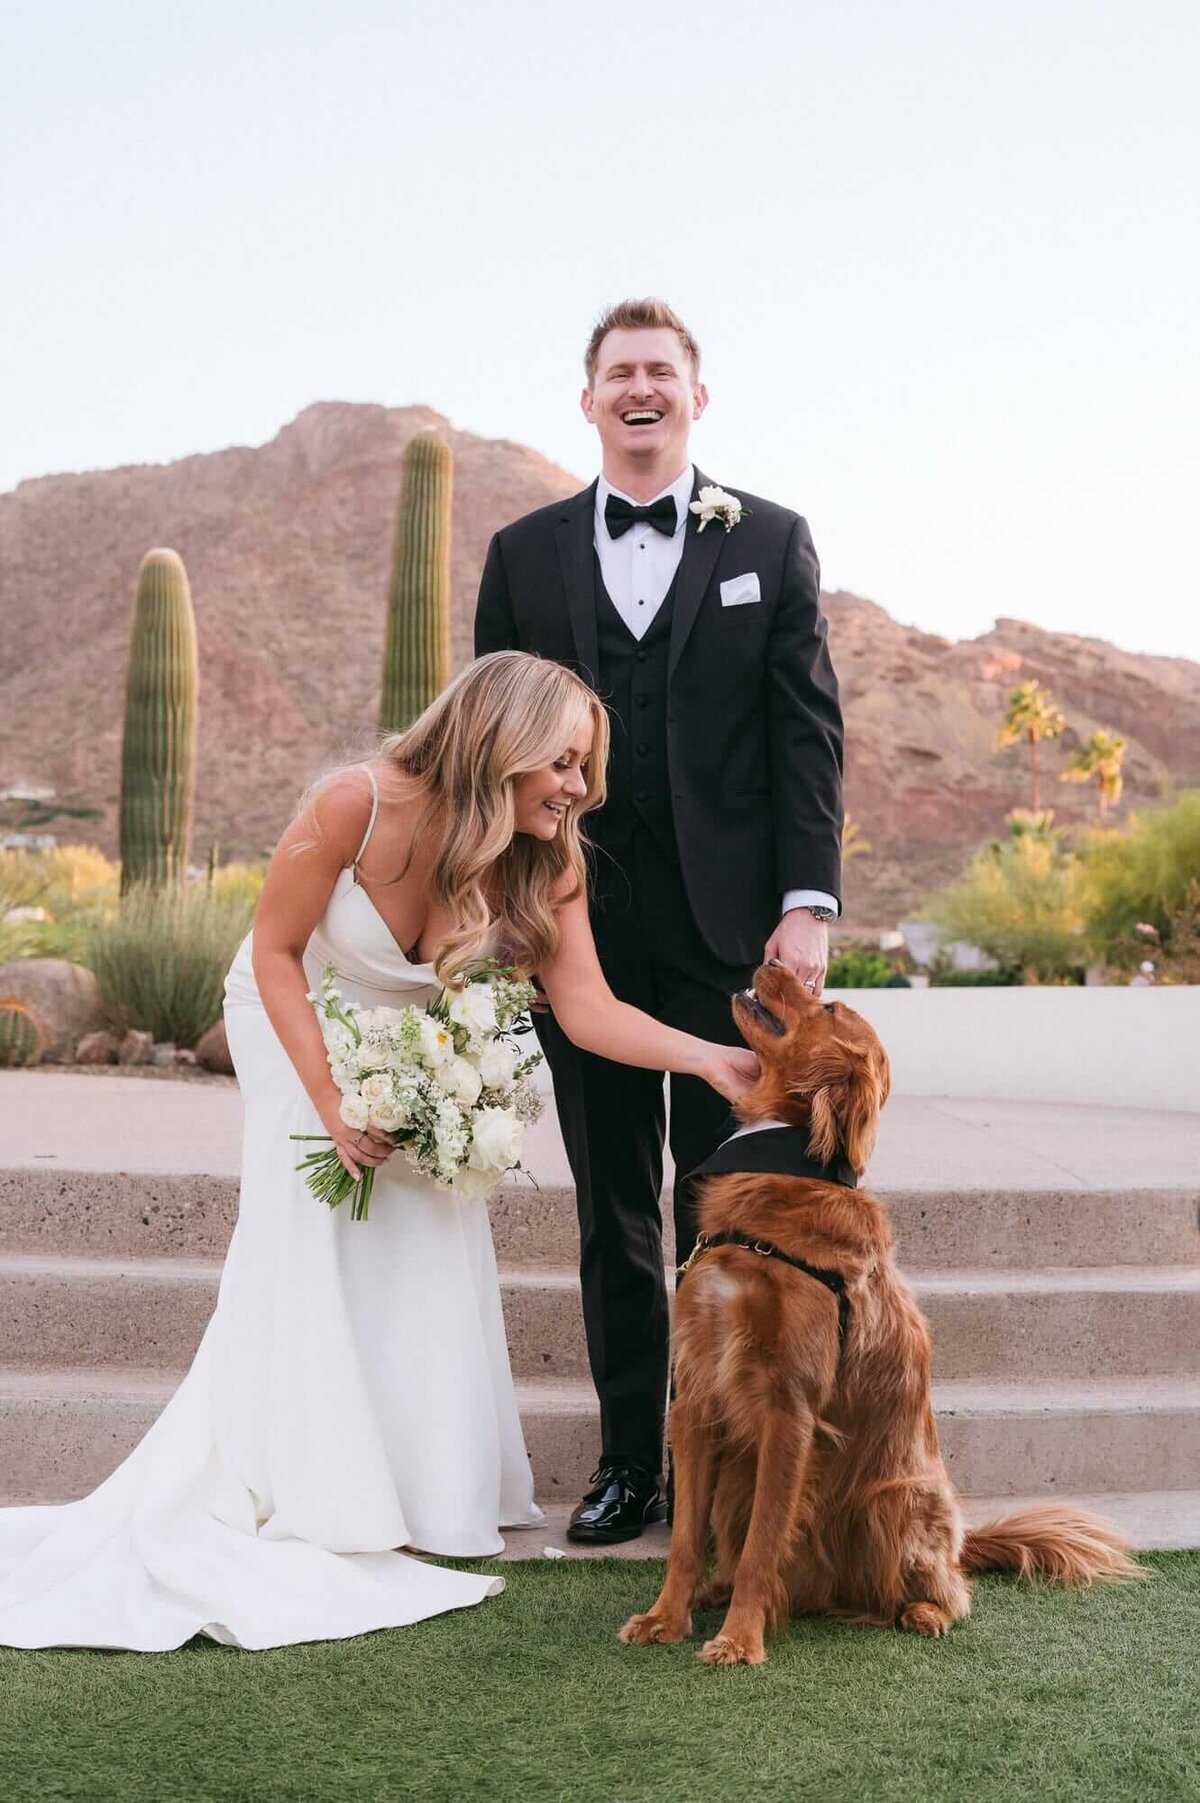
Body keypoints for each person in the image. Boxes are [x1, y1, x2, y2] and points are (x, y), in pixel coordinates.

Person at [0, 652, 756, 1651]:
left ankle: (417, 1486)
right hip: (297, 1016)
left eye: (585, 768)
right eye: (565, 763)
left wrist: (708, 1058)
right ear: (504, 745)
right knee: (314, 1217)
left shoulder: (549, 854)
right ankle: (309, 1479)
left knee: (427, 1222)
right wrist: (328, 1095)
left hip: (416, 1043)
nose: (581, 788)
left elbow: (588, 1009)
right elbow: (274, 953)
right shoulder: (352, 804)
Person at [475, 298, 844, 1543]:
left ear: (698, 395)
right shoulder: (522, 556)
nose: (640, 389)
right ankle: (632, 1460)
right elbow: (486, 743)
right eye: (618, 373)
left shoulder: (774, 541)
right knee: (610, 1208)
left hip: (729, 937)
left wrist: (807, 907)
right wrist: (498, 910)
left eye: (660, 372)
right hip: (572, 929)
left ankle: (723, 1465)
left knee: (725, 1198)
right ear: (588, 401)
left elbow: (806, 736)